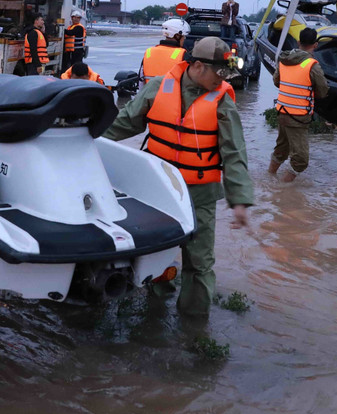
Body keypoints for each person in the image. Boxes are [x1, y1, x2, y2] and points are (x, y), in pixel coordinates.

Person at [104, 37, 253, 318]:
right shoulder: (158, 87)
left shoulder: (222, 101)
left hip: (201, 194)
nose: (222, 81)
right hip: (159, 190)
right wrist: (86, 141)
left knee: (199, 263)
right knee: (157, 253)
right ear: (197, 66)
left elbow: (234, 152)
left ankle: (194, 326)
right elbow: (123, 125)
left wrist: (240, 200)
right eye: (219, 73)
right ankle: (156, 311)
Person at [268, 27, 329, 182]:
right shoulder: (311, 65)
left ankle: (268, 179)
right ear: (315, 45)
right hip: (298, 118)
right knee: (301, 160)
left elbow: (276, 82)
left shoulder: (284, 60)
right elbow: (322, 91)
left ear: (298, 42)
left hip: (282, 112)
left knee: (281, 149)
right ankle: (281, 190)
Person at [140, 18, 189, 84]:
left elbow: (140, 79)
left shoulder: (149, 52)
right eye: (183, 37)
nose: (184, 39)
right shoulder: (182, 54)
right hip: (171, 94)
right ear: (177, 36)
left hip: (149, 93)